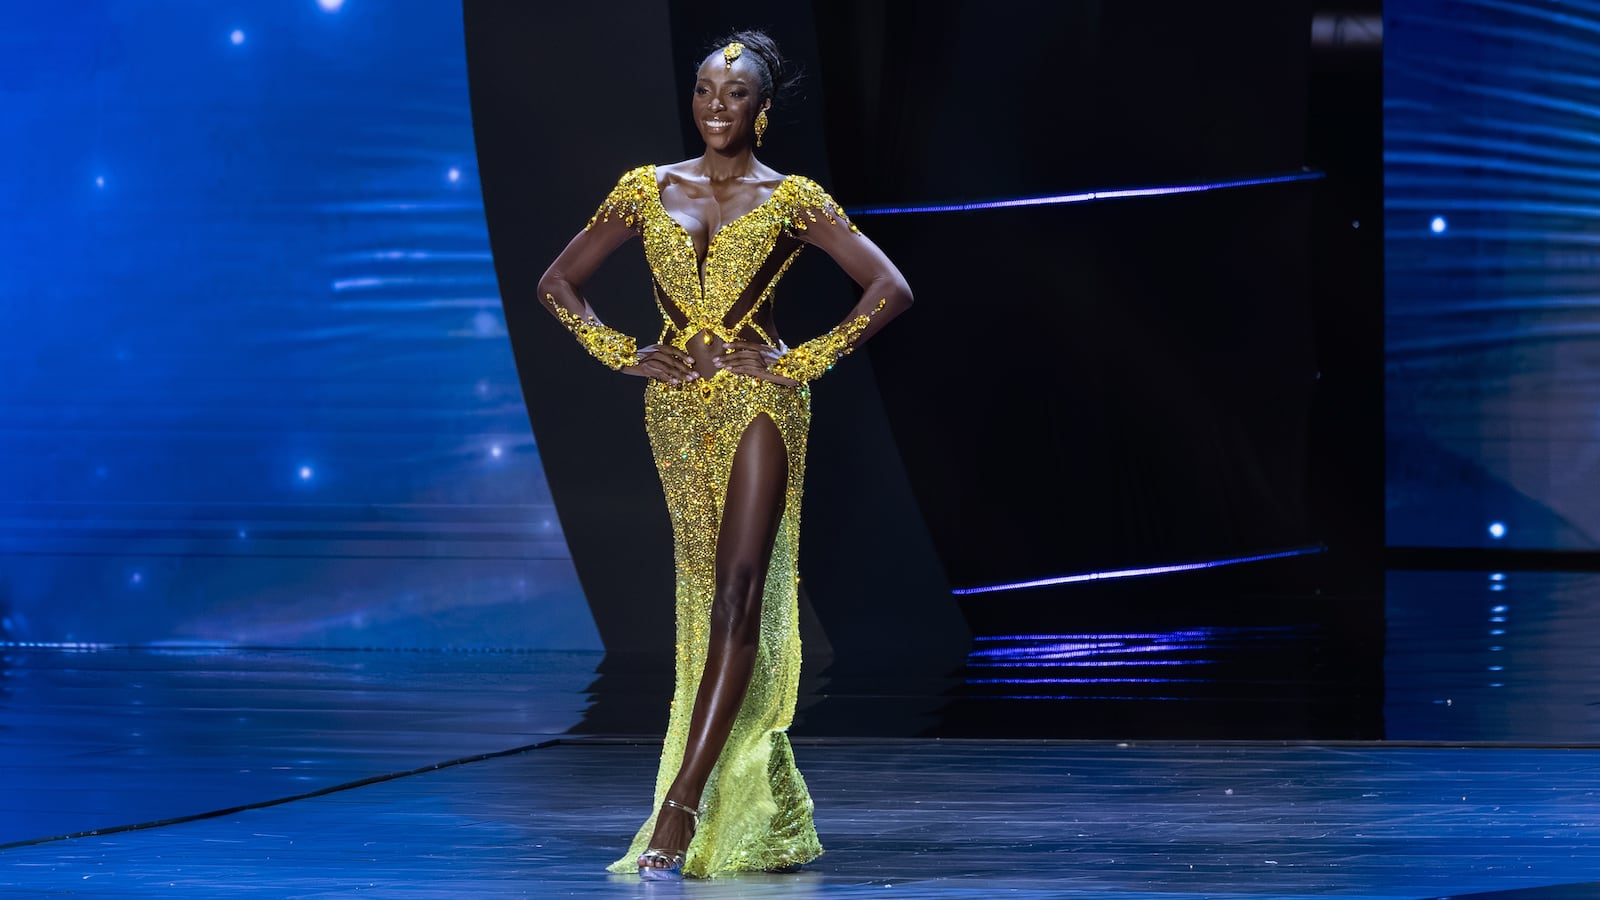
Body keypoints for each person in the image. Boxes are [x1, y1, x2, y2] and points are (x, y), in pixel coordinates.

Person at [536, 30, 911, 880]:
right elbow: (556, 283)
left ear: (761, 109)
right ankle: (760, 801)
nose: (715, 105)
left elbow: (890, 286)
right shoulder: (644, 188)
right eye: (705, 89)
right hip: (674, 413)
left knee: (741, 593)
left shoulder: (791, 198)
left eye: (734, 94)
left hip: (762, 404)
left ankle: (681, 806)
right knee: (707, 598)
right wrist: (617, 349)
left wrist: (805, 358)